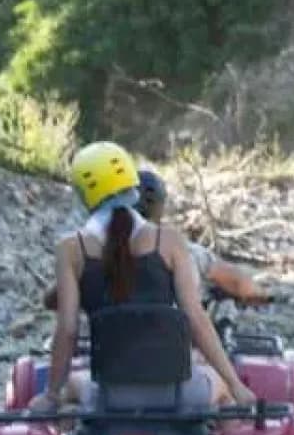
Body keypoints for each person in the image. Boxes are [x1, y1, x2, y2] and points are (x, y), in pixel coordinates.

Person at [32, 142, 256, 411]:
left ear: (83, 194)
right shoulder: (169, 240)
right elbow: (196, 317)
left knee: (73, 384)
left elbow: (67, 329)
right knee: (220, 385)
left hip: (110, 399)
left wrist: (52, 395)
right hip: (178, 395)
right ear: (132, 184)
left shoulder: (70, 250)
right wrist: (236, 386)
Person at [136, 169, 267, 303]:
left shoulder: (115, 250)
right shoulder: (184, 251)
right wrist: (265, 297)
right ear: (160, 205)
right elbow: (239, 282)